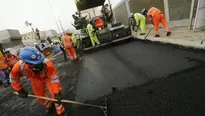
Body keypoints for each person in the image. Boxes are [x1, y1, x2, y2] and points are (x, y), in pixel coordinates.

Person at [9, 47, 66, 116]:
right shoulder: (18, 67)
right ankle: (49, 106)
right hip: (35, 79)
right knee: (40, 96)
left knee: (55, 95)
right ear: (27, 63)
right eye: (35, 63)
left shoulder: (47, 63)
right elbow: (13, 78)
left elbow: (54, 79)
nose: (40, 64)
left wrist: (57, 92)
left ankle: (60, 111)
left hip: (47, 77)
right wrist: (19, 90)